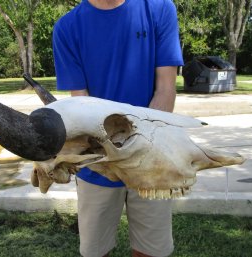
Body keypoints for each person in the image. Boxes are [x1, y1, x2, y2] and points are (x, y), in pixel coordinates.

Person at [52, 0, 183, 256]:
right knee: (96, 252)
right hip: (97, 163)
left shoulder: (159, 9)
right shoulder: (67, 28)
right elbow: (82, 105)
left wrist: (136, 148)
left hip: (151, 157)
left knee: (152, 251)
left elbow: (166, 90)